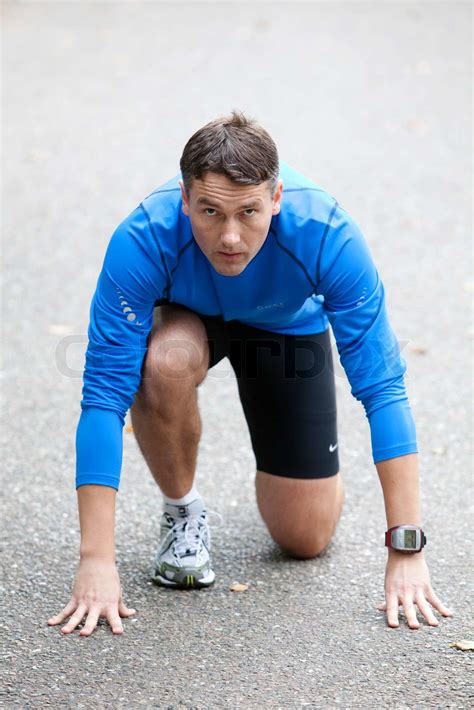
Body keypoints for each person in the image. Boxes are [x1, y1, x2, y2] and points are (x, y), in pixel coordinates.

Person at [48, 110, 452, 637]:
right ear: (185, 199)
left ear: (277, 198)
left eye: (249, 212)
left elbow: (384, 389)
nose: (231, 236)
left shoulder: (326, 233)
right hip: (189, 320)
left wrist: (405, 545)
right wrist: (97, 560)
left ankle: (317, 476)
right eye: (210, 211)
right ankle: (183, 511)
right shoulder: (144, 236)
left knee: (303, 538)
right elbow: (103, 396)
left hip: (285, 327)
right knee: (162, 363)